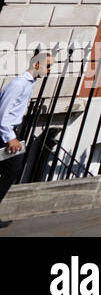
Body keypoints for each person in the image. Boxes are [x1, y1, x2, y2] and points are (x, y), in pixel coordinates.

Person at [0, 52, 53, 214]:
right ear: (36, 65)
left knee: (11, 170)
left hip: (13, 131)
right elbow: (3, 113)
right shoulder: (19, 84)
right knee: (12, 169)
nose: (50, 70)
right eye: (48, 65)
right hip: (6, 133)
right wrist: (10, 138)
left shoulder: (29, 83)